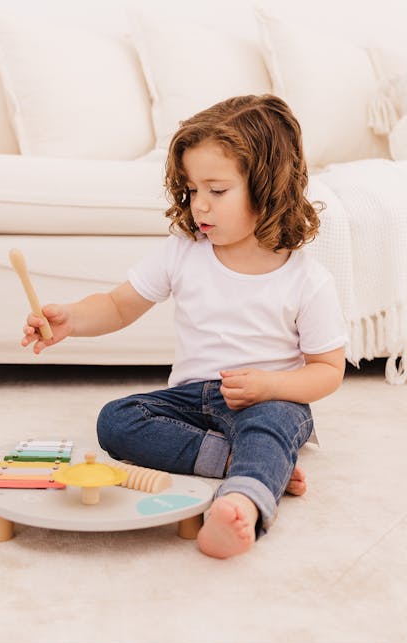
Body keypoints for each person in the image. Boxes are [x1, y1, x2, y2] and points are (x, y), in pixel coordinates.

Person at [21, 95, 347, 559]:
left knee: (271, 423)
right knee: (116, 420)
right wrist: (70, 319)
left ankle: (241, 504)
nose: (200, 206)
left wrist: (268, 385)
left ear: (267, 186)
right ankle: (251, 464)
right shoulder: (184, 253)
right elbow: (117, 306)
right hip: (191, 399)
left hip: (269, 400)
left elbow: (328, 370)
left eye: (217, 191)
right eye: (193, 191)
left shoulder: (306, 280)